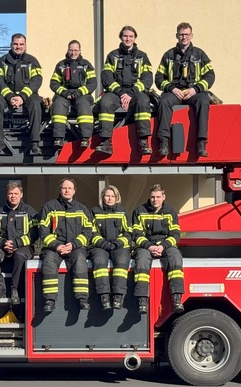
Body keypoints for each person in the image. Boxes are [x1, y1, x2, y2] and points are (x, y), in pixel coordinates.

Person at [155, 22, 215, 157]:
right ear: (177, 36)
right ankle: (163, 141)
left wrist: (196, 89)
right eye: (181, 34)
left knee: (204, 100)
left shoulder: (200, 54)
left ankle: (201, 142)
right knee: (164, 101)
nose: (184, 37)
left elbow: (210, 76)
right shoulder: (168, 55)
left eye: (187, 34)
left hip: (193, 92)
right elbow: (159, 78)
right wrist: (172, 88)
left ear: (191, 35)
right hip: (174, 92)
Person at [39, 178, 94, 313]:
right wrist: (57, 245)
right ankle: (50, 300)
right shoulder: (49, 207)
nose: (67, 190)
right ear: (60, 190)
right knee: (49, 262)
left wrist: (74, 245)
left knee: (81, 261)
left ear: (74, 191)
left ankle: (82, 299)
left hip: (75, 248)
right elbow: (43, 231)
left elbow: (88, 231)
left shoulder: (82, 209)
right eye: (64, 188)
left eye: (70, 188)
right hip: (54, 248)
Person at [98, 26, 154, 155]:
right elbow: (106, 78)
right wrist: (121, 93)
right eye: (125, 36)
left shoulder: (142, 56)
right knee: (105, 102)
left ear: (134, 38)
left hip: (135, 93)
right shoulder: (112, 56)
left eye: (130, 36)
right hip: (117, 93)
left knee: (143, 101)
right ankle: (106, 142)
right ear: (121, 37)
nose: (128, 39)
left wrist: (131, 93)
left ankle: (143, 142)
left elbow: (147, 79)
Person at [132, 184, 185, 314]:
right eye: (153, 197)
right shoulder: (140, 211)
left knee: (175, 257)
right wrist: (149, 246)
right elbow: (136, 234)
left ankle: (176, 298)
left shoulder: (170, 212)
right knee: (142, 260)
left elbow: (175, 234)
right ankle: (142, 300)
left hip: (165, 245)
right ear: (149, 198)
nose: (155, 200)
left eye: (158, 197)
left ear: (163, 197)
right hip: (146, 246)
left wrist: (163, 246)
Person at [0, 33, 44, 156]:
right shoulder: (2, 61)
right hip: (6, 95)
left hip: (28, 95)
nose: (18, 47)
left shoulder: (32, 61)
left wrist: (22, 97)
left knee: (36, 103)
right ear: (11, 45)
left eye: (21, 44)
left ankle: (35, 143)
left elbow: (36, 81)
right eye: (15, 44)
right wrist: (9, 97)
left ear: (25, 46)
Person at [0, 182, 40, 304]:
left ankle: (15, 290)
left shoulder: (29, 212)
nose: (13, 196)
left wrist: (16, 243)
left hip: (24, 248)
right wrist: (2, 243)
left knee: (20, 255)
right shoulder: (0, 212)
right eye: (10, 193)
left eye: (16, 193)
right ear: (7, 195)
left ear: (21, 195)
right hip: (3, 247)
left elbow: (34, 233)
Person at [89, 185, 133, 310]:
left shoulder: (123, 212)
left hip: (118, 246)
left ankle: (118, 296)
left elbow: (128, 233)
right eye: (107, 195)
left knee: (122, 261)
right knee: (99, 261)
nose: (109, 198)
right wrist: (103, 244)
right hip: (100, 246)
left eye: (112, 196)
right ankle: (104, 297)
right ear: (102, 197)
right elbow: (92, 232)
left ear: (117, 198)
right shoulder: (94, 211)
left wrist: (117, 244)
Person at [49, 40, 97, 148]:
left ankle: (85, 138)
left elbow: (92, 83)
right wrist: (65, 93)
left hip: (82, 94)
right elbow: (54, 83)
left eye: (75, 50)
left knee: (83, 104)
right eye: (71, 50)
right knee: (58, 104)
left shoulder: (86, 65)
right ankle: (58, 137)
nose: (73, 52)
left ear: (80, 51)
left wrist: (78, 93)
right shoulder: (61, 65)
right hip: (64, 94)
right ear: (67, 50)